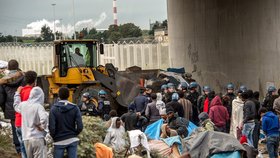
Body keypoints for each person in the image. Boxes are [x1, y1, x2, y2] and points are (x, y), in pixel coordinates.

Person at [14, 87, 48, 158]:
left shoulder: (23, 105)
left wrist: (17, 94)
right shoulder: (39, 106)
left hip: (26, 138)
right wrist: (42, 127)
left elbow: (16, 106)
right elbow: (44, 118)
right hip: (37, 138)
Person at [49, 87, 83, 158]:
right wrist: (74, 133)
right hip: (72, 139)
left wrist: (54, 137)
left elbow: (52, 127)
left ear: (59, 96)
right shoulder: (75, 108)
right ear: (69, 95)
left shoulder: (54, 109)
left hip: (58, 140)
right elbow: (80, 126)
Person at [0, 59, 24, 155]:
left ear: (8, 68)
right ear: (18, 67)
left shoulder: (3, 81)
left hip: (11, 109)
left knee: (15, 128)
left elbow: (1, 98)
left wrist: (5, 108)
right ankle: (26, 148)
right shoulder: (24, 77)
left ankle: (19, 150)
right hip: (24, 107)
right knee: (26, 127)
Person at [15, 71, 37, 158]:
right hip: (28, 124)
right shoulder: (34, 92)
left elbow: (16, 105)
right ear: (35, 80)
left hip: (18, 122)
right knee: (32, 149)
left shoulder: (19, 91)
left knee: (23, 147)